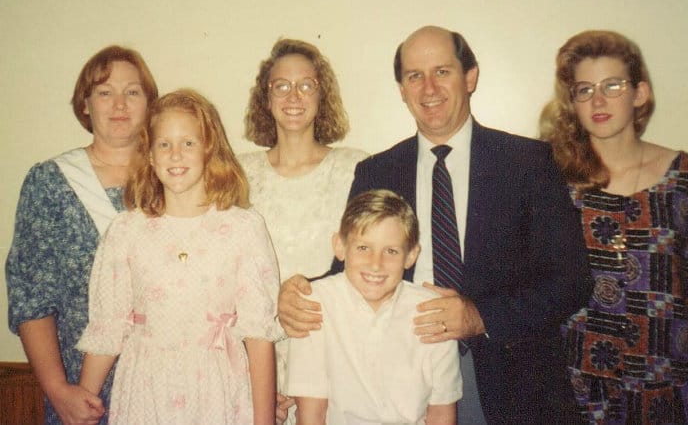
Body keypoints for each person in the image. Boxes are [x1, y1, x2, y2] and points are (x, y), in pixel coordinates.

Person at [278, 25, 592, 424]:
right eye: (414, 76)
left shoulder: (526, 163)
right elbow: (354, 270)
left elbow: (572, 279)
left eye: (442, 72)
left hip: (508, 377)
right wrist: (301, 292)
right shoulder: (378, 170)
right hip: (401, 379)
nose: (429, 88)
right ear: (402, 89)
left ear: (470, 77)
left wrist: (480, 316)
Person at [539, 30, 688, 424]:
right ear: (573, 103)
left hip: (667, 386)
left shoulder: (684, 177)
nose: (598, 100)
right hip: (578, 390)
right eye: (584, 90)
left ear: (639, 93)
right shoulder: (552, 179)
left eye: (612, 85)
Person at [76, 89, 280, 424]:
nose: (175, 154)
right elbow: (107, 329)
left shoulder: (243, 228)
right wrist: (81, 406)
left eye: (188, 143)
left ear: (208, 150)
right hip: (146, 390)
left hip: (219, 390)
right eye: (164, 144)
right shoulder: (127, 231)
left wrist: (264, 421)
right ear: (151, 156)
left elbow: (259, 336)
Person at [5, 45, 158, 425]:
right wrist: (58, 390)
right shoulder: (50, 182)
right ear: (85, 104)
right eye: (105, 92)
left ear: (149, 104)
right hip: (85, 393)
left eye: (133, 92)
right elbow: (31, 297)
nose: (119, 104)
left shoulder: (176, 177)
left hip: (171, 384)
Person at [239, 38, 367, 423]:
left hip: (338, 358)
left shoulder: (356, 168)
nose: (293, 95)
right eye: (282, 85)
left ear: (322, 94)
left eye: (306, 84)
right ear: (266, 97)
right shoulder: (238, 175)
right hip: (259, 361)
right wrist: (257, 384)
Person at [286, 189, 462, 425]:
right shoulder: (315, 304)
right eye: (363, 248)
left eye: (391, 251)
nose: (376, 264)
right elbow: (311, 415)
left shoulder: (433, 312)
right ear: (339, 246)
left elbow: (441, 414)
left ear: (411, 255)